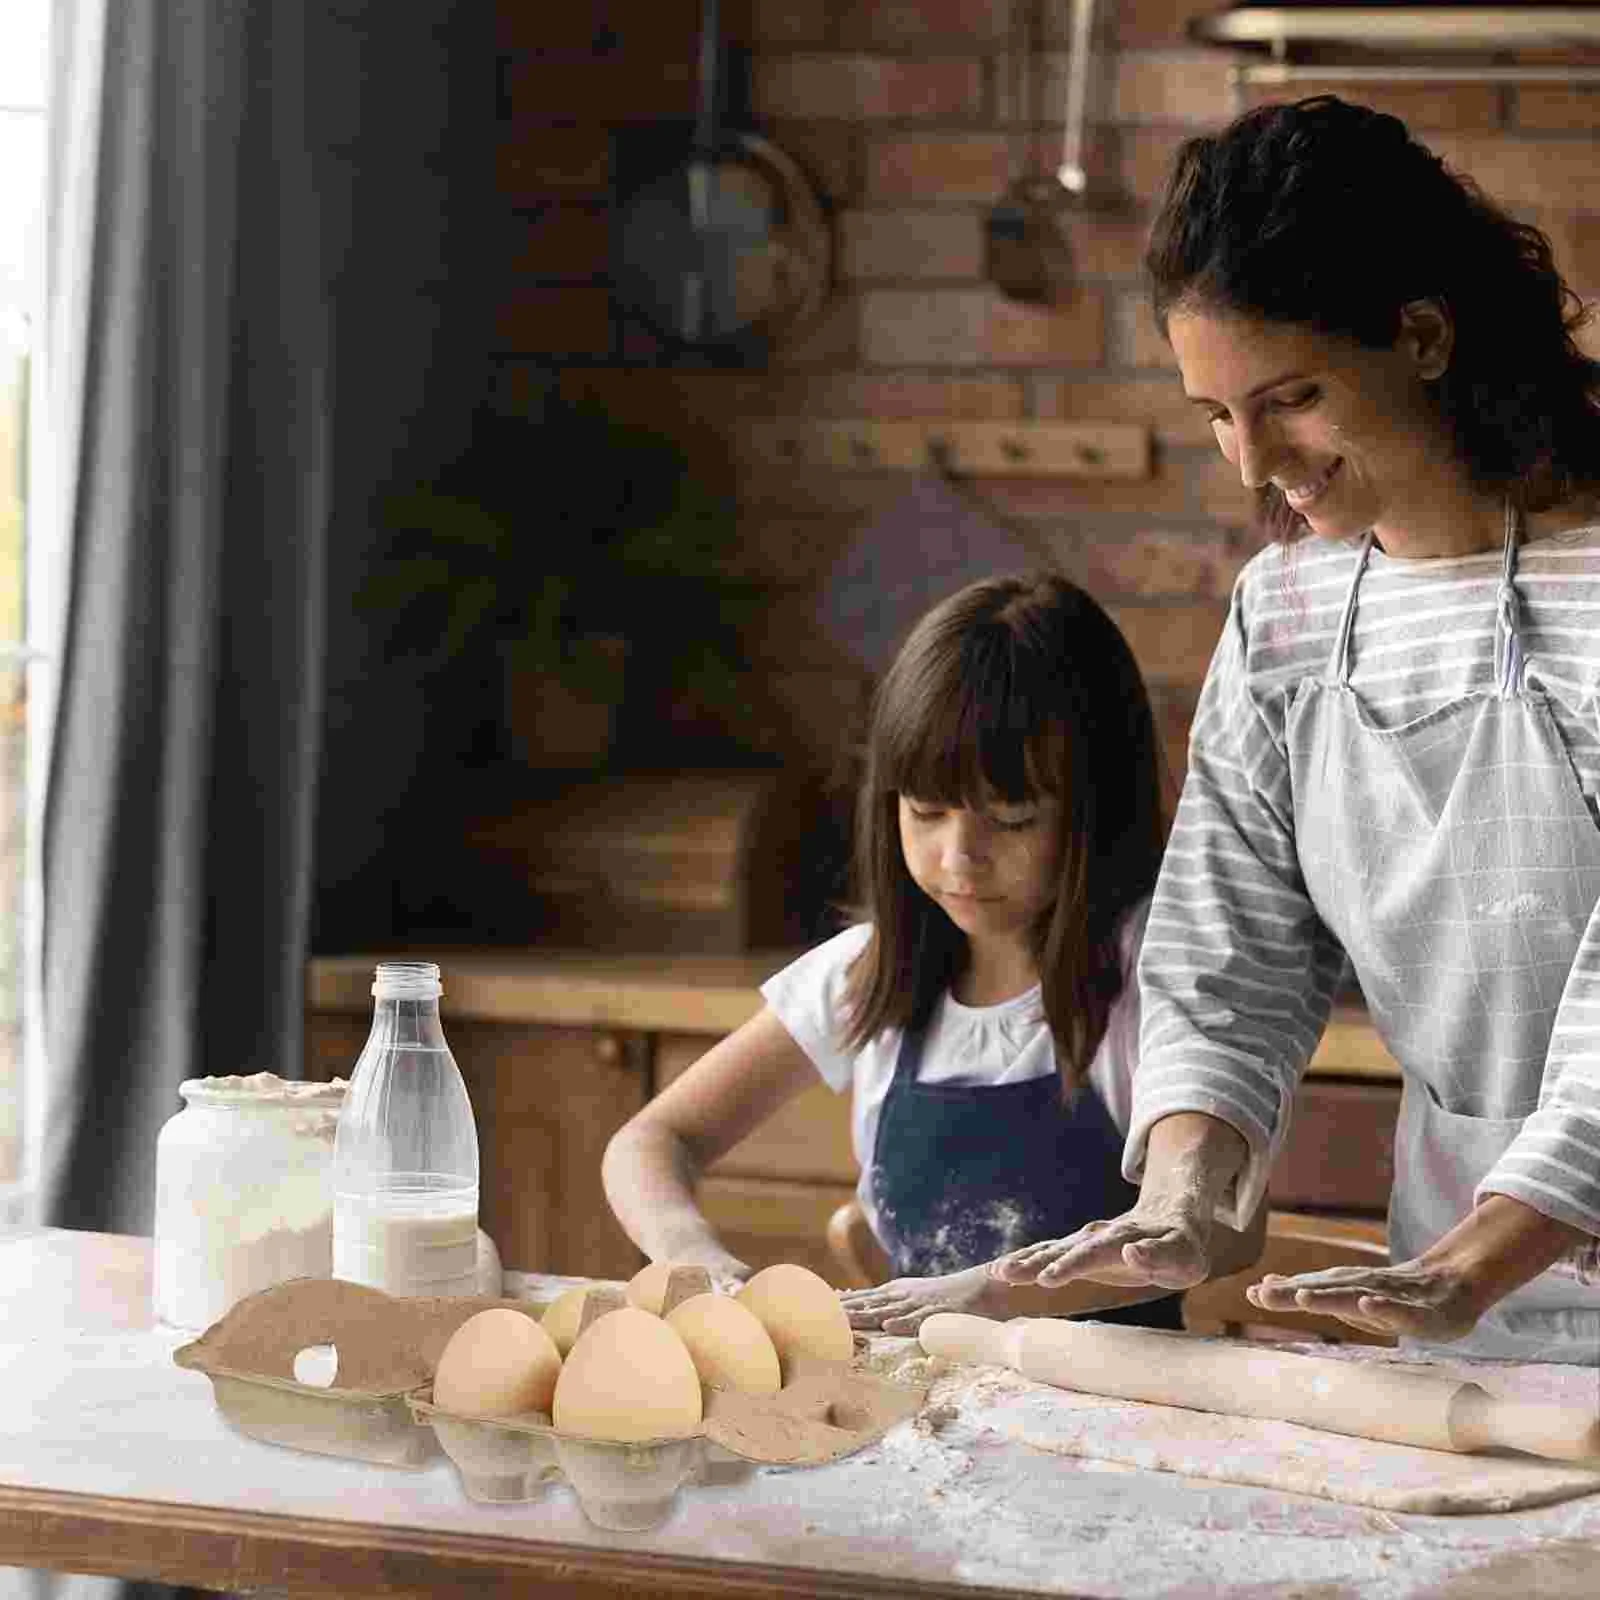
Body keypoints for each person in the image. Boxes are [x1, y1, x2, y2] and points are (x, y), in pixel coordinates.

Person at [993, 95, 1600, 1364]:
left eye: (1289, 398)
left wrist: (1492, 1250)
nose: (1247, 457)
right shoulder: (1287, 609)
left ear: (1423, 335)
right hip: (1454, 1301)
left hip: (1486, 1262)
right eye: (1214, 412)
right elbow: (1234, 941)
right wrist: (1182, 1198)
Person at [601, 571, 1264, 1334]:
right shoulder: (866, 973)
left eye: (1011, 821)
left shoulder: (1156, 971)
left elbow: (1227, 1228)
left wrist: (992, 1292)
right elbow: (651, 1140)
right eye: (926, 812)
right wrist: (692, 1255)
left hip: (1119, 1409)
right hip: (937, 1406)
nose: (959, 859)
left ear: (1096, 811)